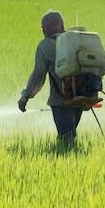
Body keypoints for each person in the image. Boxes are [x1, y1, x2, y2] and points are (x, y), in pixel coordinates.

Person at [18, 11, 82, 148]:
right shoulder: (76, 40)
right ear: (62, 25)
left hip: (62, 100)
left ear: (46, 28)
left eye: (42, 27)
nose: (42, 30)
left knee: (66, 140)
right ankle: (73, 157)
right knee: (70, 136)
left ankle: (67, 161)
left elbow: (38, 76)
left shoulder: (45, 46)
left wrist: (25, 96)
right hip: (83, 97)